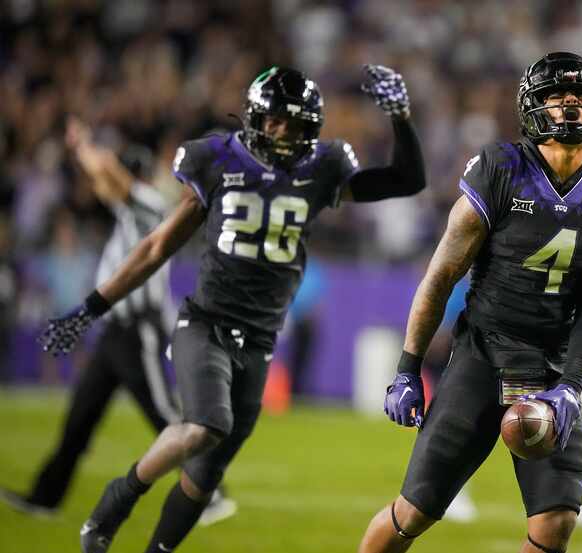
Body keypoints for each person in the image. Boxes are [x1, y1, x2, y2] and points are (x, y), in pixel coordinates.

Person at [39, 64, 425, 553]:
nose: (281, 132)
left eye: (293, 124)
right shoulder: (218, 158)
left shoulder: (321, 168)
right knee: (206, 424)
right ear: (254, 118)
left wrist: (400, 116)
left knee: (205, 475)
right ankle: (117, 499)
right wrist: (92, 307)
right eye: (273, 120)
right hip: (206, 323)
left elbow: (407, 180)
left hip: (261, 340)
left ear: (312, 130)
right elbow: (157, 247)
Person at [358, 52, 582, 553]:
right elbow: (442, 274)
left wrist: (571, 386)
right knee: (413, 512)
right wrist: (407, 368)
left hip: (548, 366)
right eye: (557, 99)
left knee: (555, 527)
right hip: (482, 356)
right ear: (533, 107)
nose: (571, 109)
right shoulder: (501, 168)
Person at [1, 117, 239, 524]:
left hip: (137, 330)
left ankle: (211, 491)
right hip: (114, 333)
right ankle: (46, 497)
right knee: (80, 418)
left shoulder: (149, 202)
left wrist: (84, 145)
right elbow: (106, 181)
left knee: (164, 413)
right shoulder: (130, 208)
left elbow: (111, 176)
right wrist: (85, 155)